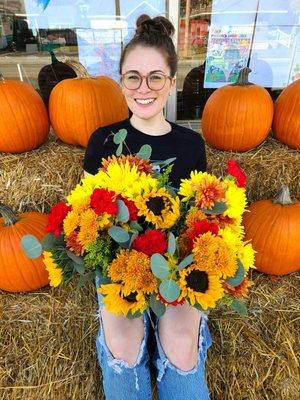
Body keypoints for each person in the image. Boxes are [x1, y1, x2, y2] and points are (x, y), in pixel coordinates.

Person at [83, 14, 212, 400]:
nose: (144, 87)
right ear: (121, 80)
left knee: (180, 342)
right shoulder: (104, 141)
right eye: (133, 76)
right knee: (122, 343)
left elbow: (195, 221)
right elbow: (90, 218)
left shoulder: (190, 145)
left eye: (156, 76)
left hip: (175, 259)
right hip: (118, 259)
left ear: (171, 82)